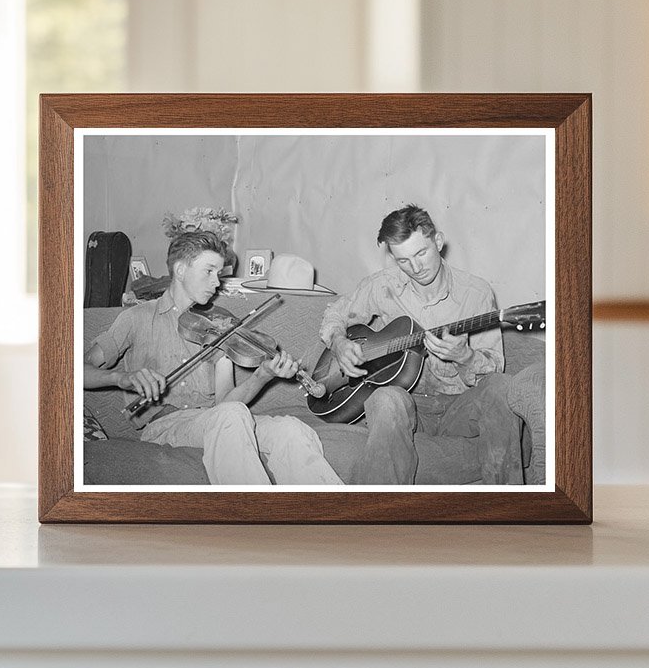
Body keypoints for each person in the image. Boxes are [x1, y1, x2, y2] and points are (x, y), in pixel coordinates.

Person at [85, 230, 342, 486]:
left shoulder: (219, 324)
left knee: (291, 430)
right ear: (181, 270)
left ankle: (334, 518)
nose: (217, 282)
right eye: (209, 271)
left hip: (215, 420)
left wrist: (263, 376)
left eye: (218, 274)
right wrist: (121, 377)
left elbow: (226, 402)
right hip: (165, 425)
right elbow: (77, 370)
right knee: (230, 416)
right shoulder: (137, 318)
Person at [318, 204, 525, 485]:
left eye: (421, 253)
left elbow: (495, 367)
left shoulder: (475, 293)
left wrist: (465, 357)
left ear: (437, 242)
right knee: (384, 398)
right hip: (408, 403)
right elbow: (335, 313)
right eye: (403, 260)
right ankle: (374, 515)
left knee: (501, 387)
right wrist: (340, 343)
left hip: (458, 407)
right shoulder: (382, 285)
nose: (415, 268)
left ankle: (507, 510)